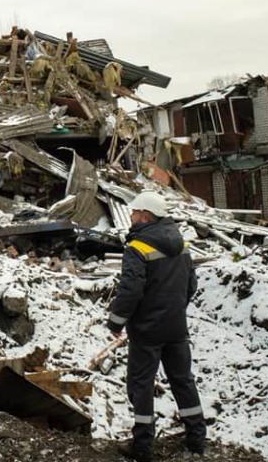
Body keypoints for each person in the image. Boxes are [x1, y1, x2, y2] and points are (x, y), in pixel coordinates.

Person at [105, 191, 206, 461]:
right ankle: (196, 439)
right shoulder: (181, 244)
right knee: (183, 381)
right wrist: (174, 310)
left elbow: (131, 290)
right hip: (176, 327)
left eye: (135, 212)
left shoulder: (137, 247)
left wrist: (116, 320)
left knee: (141, 385)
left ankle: (142, 447)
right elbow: (191, 285)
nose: (131, 216)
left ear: (146, 216)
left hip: (147, 331)